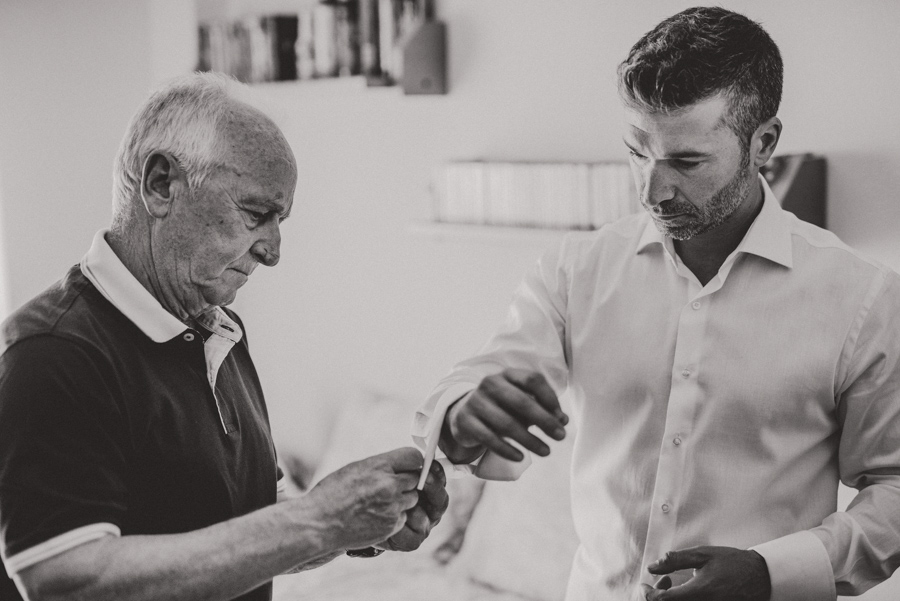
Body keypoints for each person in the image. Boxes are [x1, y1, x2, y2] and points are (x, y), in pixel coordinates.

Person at [414, 7, 900, 601]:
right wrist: (465, 412)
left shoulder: (862, 299)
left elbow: (895, 490)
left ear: (764, 142)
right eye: (638, 152)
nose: (652, 189)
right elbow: (482, 378)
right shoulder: (576, 270)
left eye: (686, 161)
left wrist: (770, 573)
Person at [0, 72, 448, 601]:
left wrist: (354, 522)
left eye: (279, 221)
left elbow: (249, 526)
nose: (273, 252)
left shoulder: (221, 330)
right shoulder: (54, 351)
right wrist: (318, 521)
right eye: (257, 214)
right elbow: (68, 581)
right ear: (161, 183)